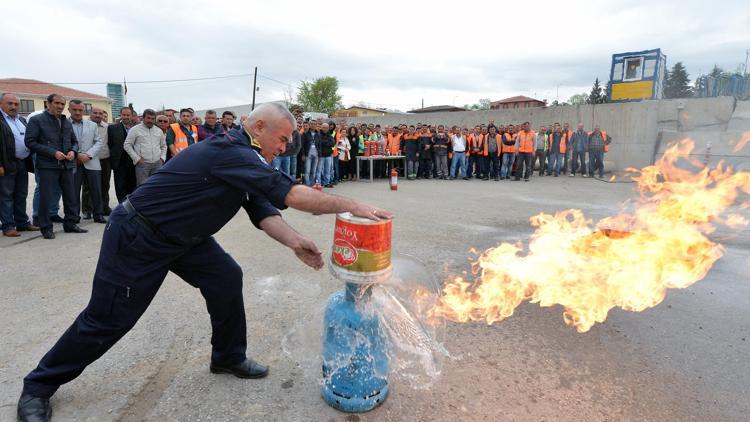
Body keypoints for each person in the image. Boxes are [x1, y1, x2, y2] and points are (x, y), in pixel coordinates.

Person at [16, 102, 393, 422]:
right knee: (108, 318)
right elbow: (292, 195)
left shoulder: (246, 158)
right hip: (140, 236)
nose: (284, 147)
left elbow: (263, 209)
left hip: (185, 239)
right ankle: (39, 385)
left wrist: (295, 242)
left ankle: (228, 357)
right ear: (258, 127)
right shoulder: (230, 150)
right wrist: (352, 205)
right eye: (281, 139)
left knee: (226, 277)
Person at [24, 94, 87, 239]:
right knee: (46, 197)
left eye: (62, 104)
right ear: (48, 103)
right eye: (57, 103)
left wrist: (73, 151)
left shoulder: (66, 122)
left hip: (67, 165)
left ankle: (70, 224)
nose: (60, 106)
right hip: (47, 166)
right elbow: (30, 142)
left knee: (70, 196)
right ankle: (45, 227)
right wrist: (53, 153)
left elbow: (74, 142)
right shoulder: (36, 120)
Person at [0, 93, 38, 237]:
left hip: (22, 162)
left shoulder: (21, 119)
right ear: (1, 104)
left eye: (16, 104)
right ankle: (8, 226)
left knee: (21, 194)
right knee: (6, 196)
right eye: (10, 103)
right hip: (6, 163)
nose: (13, 107)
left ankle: (22, 223)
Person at [68, 100, 106, 224]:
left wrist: (88, 155)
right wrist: (77, 155)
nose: (77, 112)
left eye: (80, 110)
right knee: (73, 191)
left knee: (96, 190)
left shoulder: (92, 125)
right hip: (73, 161)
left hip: (91, 161)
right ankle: (74, 216)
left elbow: (99, 142)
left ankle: (98, 215)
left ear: (84, 111)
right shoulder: (63, 124)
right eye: (75, 110)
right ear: (69, 110)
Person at [81, 107, 112, 219]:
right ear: (90, 113)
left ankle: (104, 207)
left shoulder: (107, 127)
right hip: (89, 159)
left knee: (105, 185)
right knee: (88, 186)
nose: (98, 115)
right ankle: (87, 210)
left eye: (100, 113)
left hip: (105, 159)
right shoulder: (84, 125)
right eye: (95, 113)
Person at [124, 109, 167, 186]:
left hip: (157, 164)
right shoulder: (135, 130)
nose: (150, 120)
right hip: (142, 165)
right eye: (148, 118)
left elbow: (164, 146)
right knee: (142, 187)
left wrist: (162, 158)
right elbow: (127, 145)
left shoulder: (158, 131)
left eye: (152, 119)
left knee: (156, 186)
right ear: (143, 118)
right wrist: (137, 159)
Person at [108, 107, 137, 203]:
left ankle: (131, 206)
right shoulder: (112, 128)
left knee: (133, 185)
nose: (126, 117)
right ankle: (122, 207)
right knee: (120, 186)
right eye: (124, 115)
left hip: (134, 162)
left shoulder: (137, 128)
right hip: (119, 163)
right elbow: (110, 144)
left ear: (131, 116)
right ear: (120, 115)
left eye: (128, 115)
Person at [317, 122, 335, 187]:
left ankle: (326, 183)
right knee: (319, 171)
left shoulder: (329, 135)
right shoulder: (318, 134)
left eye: (327, 128)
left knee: (327, 170)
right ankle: (318, 183)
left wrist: (325, 143)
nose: (325, 129)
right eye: (324, 127)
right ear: (321, 127)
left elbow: (333, 143)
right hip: (321, 156)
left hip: (328, 155)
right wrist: (327, 142)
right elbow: (320, 143)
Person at [302, 120, 320, 186]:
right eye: (311, 124)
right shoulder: (305, 133)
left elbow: (319, 145)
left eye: (314, 124)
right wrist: (303, 154)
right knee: (307, 171)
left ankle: (312, 184)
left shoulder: (318, 134)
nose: (313, 125)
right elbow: (302, 145)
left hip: (316, 155)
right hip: (308, 155)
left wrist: (319, 155)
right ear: (309, 125)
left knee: (314, 171)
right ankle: (307, 184)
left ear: (316, 125)